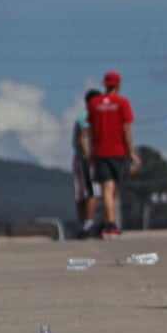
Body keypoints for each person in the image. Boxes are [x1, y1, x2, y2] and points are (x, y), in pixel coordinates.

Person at [87, 71, 141, 239]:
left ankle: (107, 223)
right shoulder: (122, 103)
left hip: (101, 151)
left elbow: (91, 130)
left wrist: (91, 151)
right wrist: (131, 151)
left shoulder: (94, 104)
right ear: (118, 84)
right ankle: (111, 224)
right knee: (112, 189)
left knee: (106, 189)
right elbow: (126, 128)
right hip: (118, 151)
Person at [72, 89, 103, 239]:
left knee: (81, 193)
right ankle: (88, 223)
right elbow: (82, 138)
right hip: (85, 158)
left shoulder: (85, 116)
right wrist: (89, 155)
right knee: (92, 191)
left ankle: (83, 223)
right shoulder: (87, 116)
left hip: (80, 157)